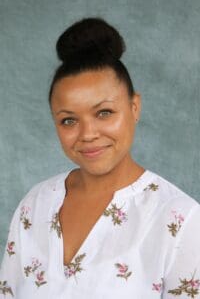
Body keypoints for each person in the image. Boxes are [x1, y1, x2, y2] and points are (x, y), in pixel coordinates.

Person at [0, 17, 200, 299]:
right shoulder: (34, 206)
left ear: (134, 107)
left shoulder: (180, 220)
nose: (88, 134)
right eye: (69, 120)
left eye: (104, 113)